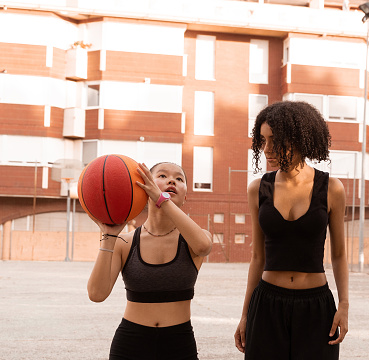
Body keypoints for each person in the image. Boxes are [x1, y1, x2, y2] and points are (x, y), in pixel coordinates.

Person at [234, 101, 349, 359]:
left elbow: (339, 254)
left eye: (275, 140)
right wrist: (245, 315)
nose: (267, 149)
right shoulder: (258, 189)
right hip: (266, 306)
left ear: (299, 139)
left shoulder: (332, 189)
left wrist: (344, 305)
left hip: (316, 308)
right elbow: (257, 257)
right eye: (263, 141)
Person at [87, 162, 212, 360]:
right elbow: (96, 294)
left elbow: (204, 247)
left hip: (179, 343)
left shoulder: (194, 238)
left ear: (185, 196)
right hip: (130, 343)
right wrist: (109, 237)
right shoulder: (125, 242)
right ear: (144, 188)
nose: (172, 180)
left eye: (179, 179)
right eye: (162, 176)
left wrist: (163, 199)